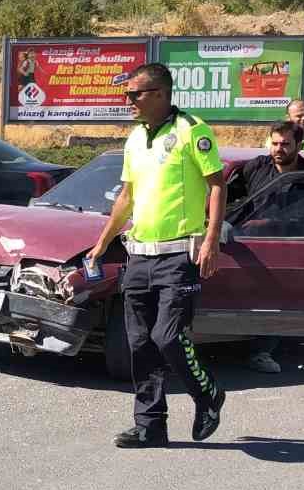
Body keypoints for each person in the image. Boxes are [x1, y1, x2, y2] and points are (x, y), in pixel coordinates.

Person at [87, 63, 227, 448]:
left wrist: (211, 238)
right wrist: (102, 242)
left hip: (178, 257)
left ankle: (207, 394)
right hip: (139, 257)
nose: (128, 100)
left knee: (167, 336)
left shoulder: (191, 131)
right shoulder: (134, 139)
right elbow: (127, 197)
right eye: (127, 94)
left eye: (136, 94)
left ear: (161, 94)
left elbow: (217, 185)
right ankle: (150, 425)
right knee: (139, 344)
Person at [232, 121, 304, 374]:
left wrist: (265, 223)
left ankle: (261, 352)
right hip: (247, 241)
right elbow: (234, 197)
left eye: (285, 144)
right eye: (275, 143)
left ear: (298, 145)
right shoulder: (257, 166)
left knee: (277, 299)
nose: (278, 149)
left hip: (288, 246)